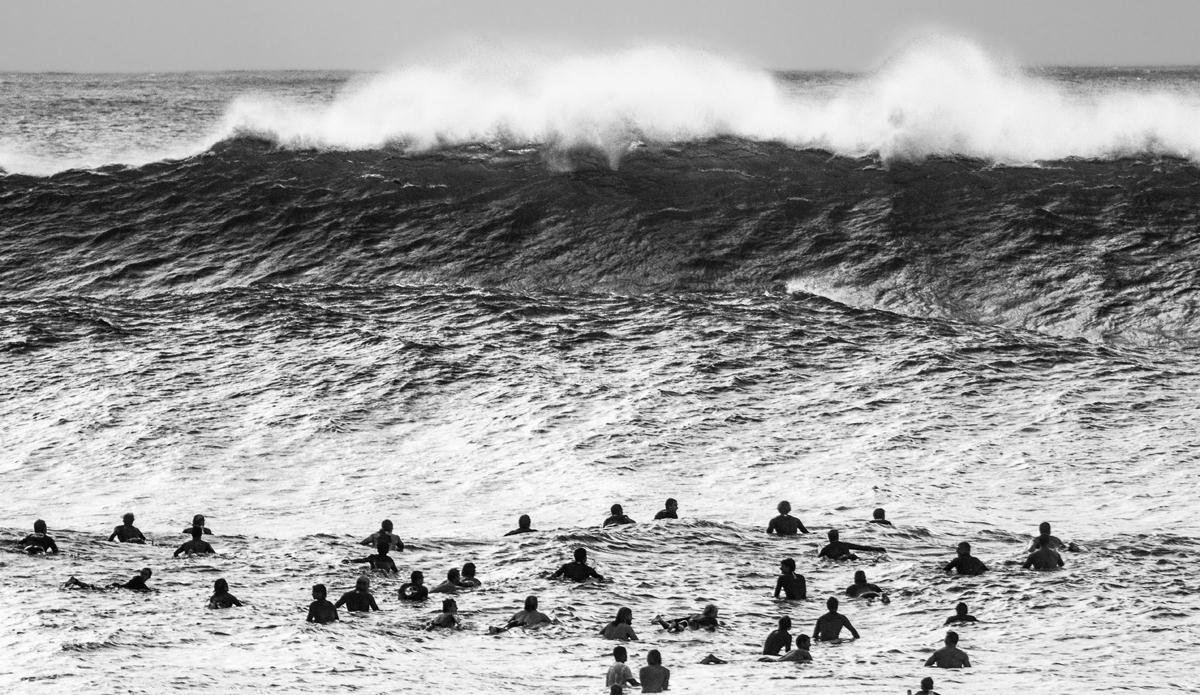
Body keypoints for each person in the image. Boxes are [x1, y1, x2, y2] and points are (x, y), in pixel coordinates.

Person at [64, 568, 154, 592]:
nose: (142, 575)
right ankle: (75, 581)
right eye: (142, 573)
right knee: (93, 589)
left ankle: (76, 581)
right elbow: (145, 589)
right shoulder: (137, 579)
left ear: (148, 577)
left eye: (145, 574)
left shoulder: (140, 583)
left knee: (93, 588)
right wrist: (152, 592)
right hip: (118, 588)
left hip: (118, 588)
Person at [818, 529, 885, 560]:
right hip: (850, 557)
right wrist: (877, 548)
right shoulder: (845, 545)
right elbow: (862, 548)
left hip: (839, 560)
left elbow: (819, 557)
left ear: (829, 538)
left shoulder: (825, 549)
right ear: (838, 537)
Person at [652, 604, 719, 632]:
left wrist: (668, 621)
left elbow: (679, 619)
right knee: (682, 629)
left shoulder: (696, 615)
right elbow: (715, 627)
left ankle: (660, 620)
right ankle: (676, 625)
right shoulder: (712, 619)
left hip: (689, 621)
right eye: (716, 613)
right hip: (695, 625)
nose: (717, 616)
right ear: (712, 613)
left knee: (682, 624)